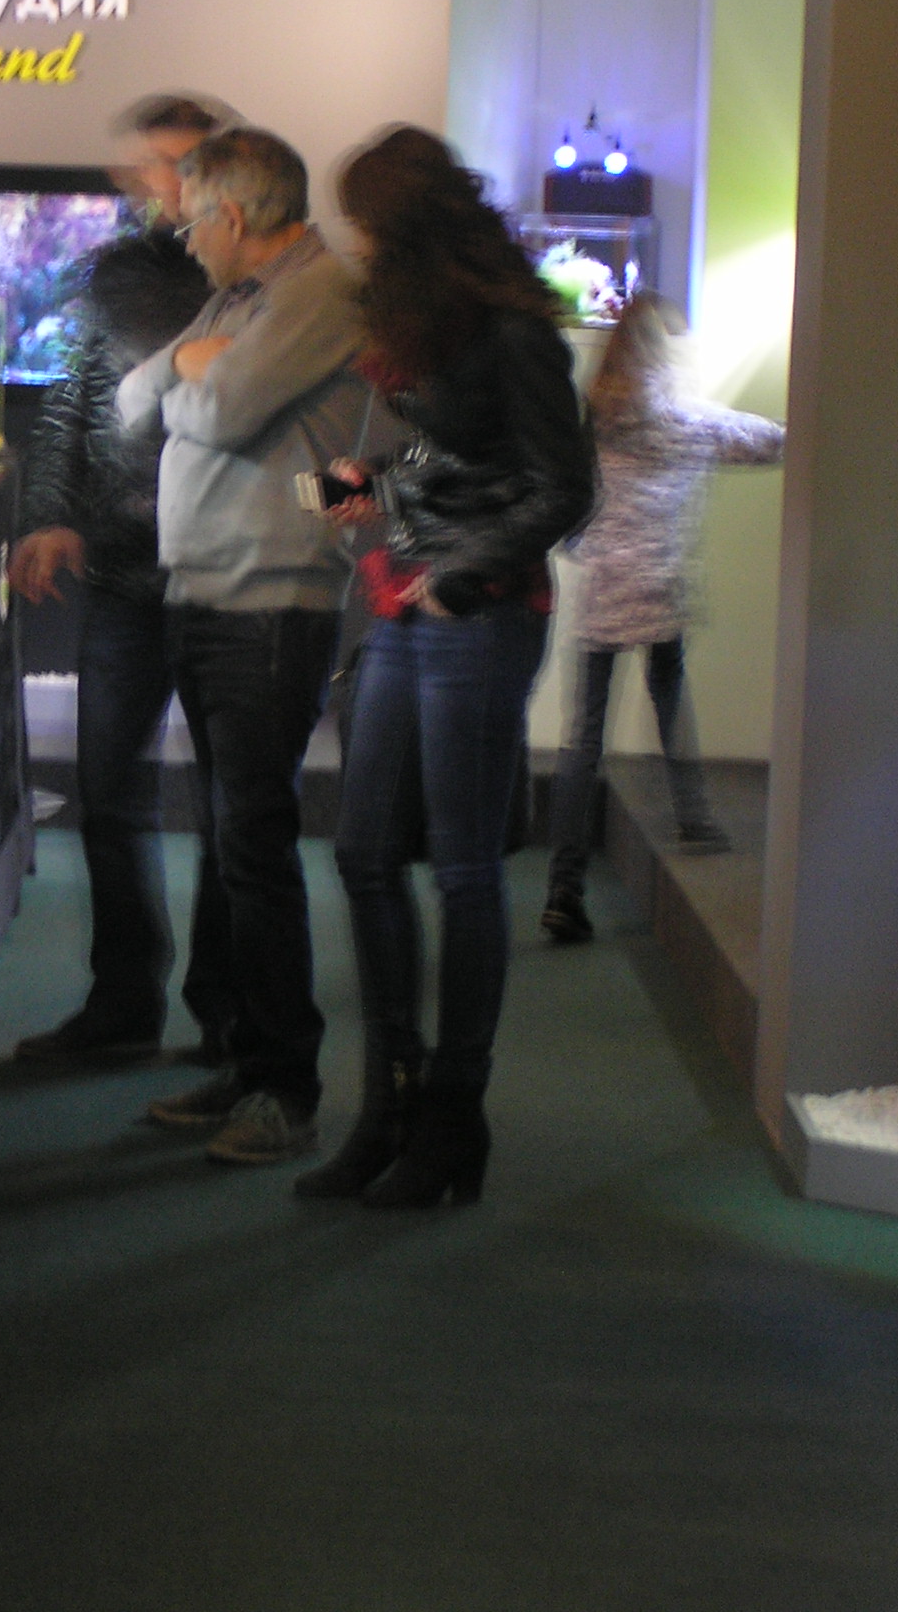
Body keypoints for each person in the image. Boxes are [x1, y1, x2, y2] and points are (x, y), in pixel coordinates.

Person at [300, 124, 595, 1207]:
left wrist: (462, 575)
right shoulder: (441, 326)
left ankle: (450, 1115)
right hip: (408, 600)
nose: (357, 246)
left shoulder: (514, 333)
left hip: (475, 613)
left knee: (464, 870)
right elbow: (446, 455)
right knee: (364, 853)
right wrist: (367, 493)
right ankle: (391, 1100)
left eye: (365, 225)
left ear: (405, 228)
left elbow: (563, 488)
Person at [115, 128, 369, 1165]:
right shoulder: (234, 302)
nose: (182, 241)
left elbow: (215, 414)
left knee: (254, 852)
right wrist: (182, 360)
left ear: (230, 215)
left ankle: (285, 1089)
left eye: (189, 223)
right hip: (212, 597)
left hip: (268, 605)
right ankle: (249, 1059)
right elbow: (132, 397)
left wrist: (185, 378)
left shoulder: (318, 291)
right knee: (232, 850)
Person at [9, 95, 221, 1068]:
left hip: (228, 582)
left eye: (176, 163)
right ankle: (124, 1001)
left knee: (231, 815)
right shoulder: (115, 276)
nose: (155, 183)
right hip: (125, 578)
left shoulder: (260, 283)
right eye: (148, 164)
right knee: (109, 796)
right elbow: (68, 403)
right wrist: (50, 515)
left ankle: (229, 1015)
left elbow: (323, 438)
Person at [540, 291, 784, 944]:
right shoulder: (684, 417)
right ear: (662, 350)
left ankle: (564, 887)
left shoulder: (593, 414)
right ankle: (694, 819)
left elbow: (566, 491)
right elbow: (763, 442)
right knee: (670, 698)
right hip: (659, 585)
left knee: (582, 740)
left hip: (604, 589)